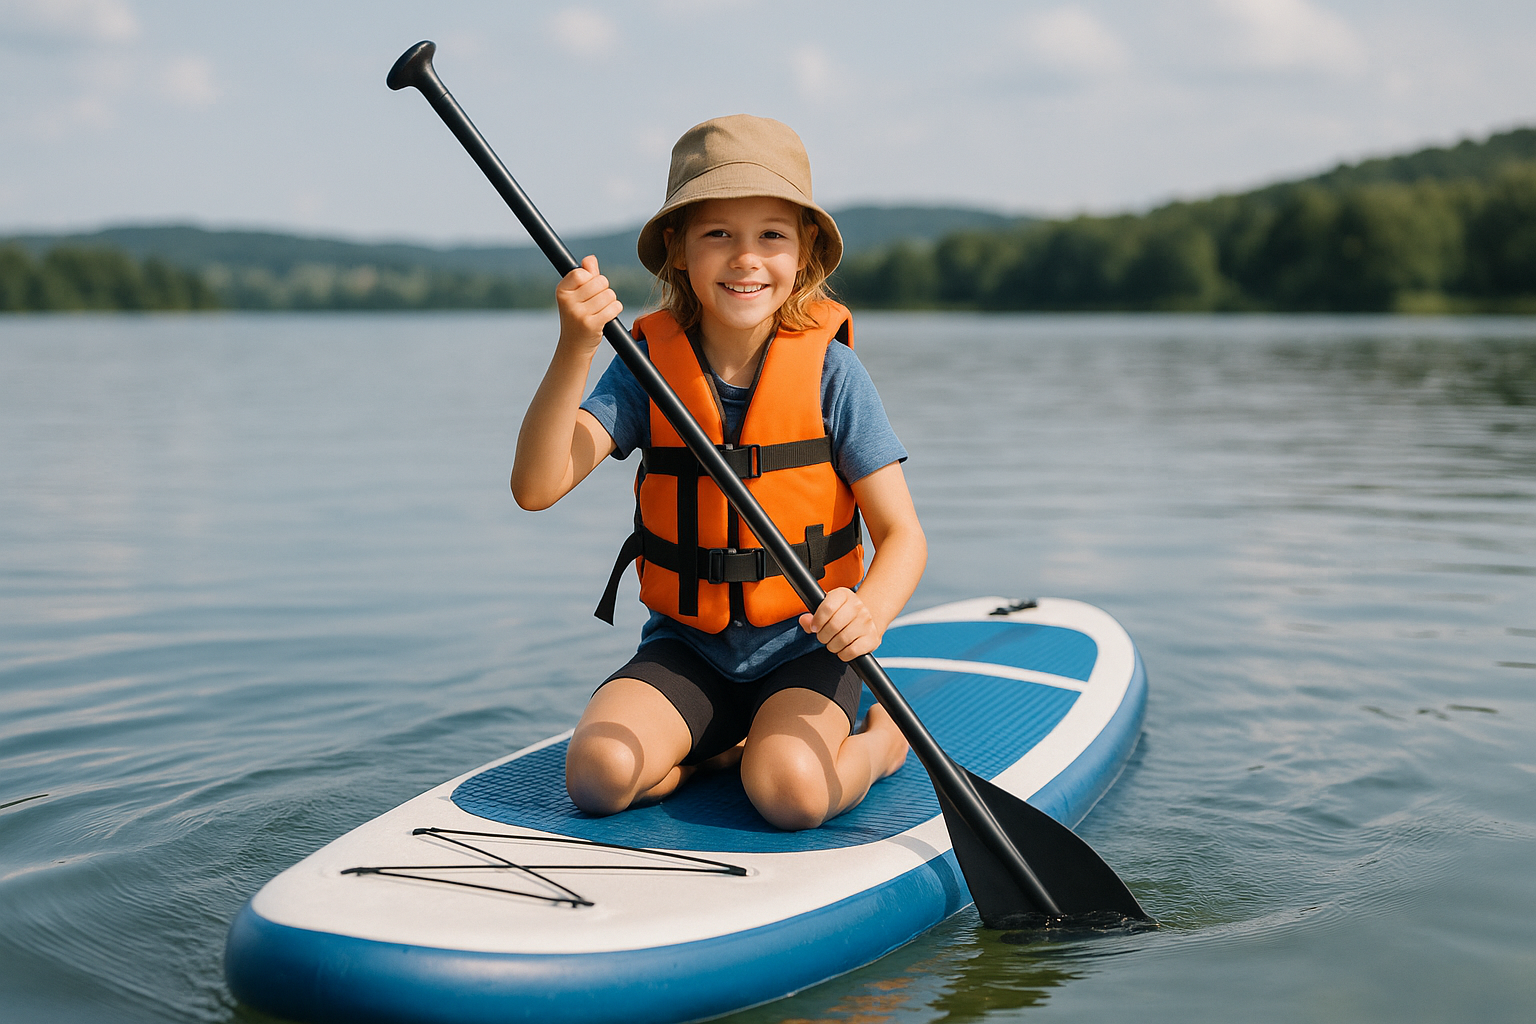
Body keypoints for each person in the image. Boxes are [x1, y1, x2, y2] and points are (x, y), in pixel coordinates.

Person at [511, 115, 926, 831]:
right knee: (597, 778)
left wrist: (870, 612)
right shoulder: (643, 370)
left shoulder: (833, 373)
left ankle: (881, 747)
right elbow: (536, 487)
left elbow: (903, 536)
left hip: (807, 647)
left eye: (771, 234)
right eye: (717, 234)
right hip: (688, 650)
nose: (745, 259)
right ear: (677, 250)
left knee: (791, 793)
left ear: (804, 254)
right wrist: (575, 347)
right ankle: (714, 751)